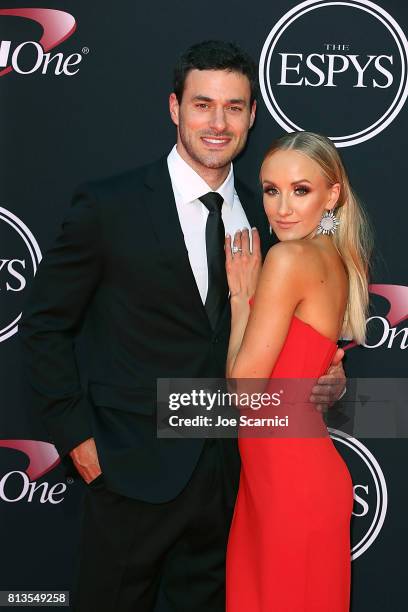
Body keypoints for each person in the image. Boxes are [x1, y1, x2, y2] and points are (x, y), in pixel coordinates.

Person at [19, 42, 345, 612]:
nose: (218, 123)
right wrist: (77, 439)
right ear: (174, 108)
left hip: (233, 481)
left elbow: (282, 347)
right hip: (130, 472)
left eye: (235, 107)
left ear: (250, 117)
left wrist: (326, 379)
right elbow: (45, 325)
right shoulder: (109, 205)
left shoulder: (271, 217)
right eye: (203, 104)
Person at [224, 131, 372, 612]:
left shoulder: (288, 258)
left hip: (288, 484)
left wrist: (240, 301)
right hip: (284, 478)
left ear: (332, 194)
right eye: (271, 190)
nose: (282, 207)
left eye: (300, 190)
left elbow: (245, 394)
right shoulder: (336, 259)